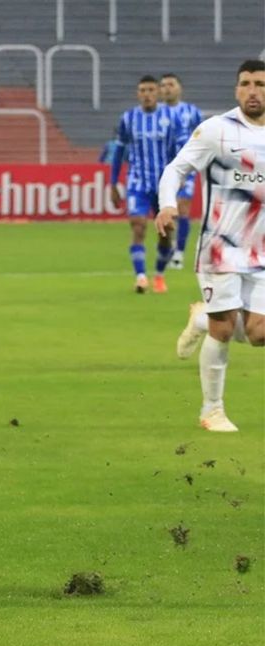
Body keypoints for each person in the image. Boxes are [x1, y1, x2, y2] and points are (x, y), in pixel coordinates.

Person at [156, 59, 265, 433]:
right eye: (247, 84)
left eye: (261, 84)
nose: (254, 91)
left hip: (261, 253)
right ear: (237, 89)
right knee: (224, 330)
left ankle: (201, 316)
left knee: (259, 334)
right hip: (219, 249)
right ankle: (211, 410)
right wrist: (168, 203)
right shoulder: (218, 130)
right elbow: (176, 169)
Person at [109, 75, 178, 294]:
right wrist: (113, 183)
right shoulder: (128, 119)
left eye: (150, 90)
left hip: (164, 184)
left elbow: (178, 153)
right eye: (142, 90)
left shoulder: (170, 118)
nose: (147, 94)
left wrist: (180, 182)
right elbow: (118, 153)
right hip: (137, 182)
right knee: (138, 225)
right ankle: (140, 277)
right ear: (137, 94)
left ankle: (159, 274)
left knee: (165, 232)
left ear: (157, 92)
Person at [160, 73, 205, 270]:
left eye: (170, 84)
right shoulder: (156, 113)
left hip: (186, 167)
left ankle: (179, 252)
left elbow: (204, 138)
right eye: (163, 85)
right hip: (160, 168)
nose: (167, 88)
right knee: (165, 209)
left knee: (183, 206)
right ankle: (167, 247)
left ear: (179, 88)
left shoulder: (192, 112)